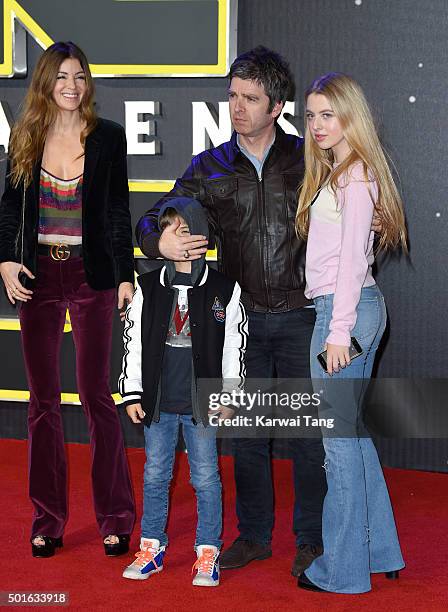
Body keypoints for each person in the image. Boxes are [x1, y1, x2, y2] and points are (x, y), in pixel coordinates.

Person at [136, 46, 328, 576]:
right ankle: (255, 536)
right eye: (232, 96)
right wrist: (161, 245)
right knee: (246, 439)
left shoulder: (310, 157)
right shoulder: (211, 166)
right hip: (238, 327)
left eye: (250, 98)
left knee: (309, 440)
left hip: (301, 319)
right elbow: (153, 219)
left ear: (276, 107)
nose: (236, 107)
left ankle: (311, 539)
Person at [0, 42, 135, 558]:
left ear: (88, 82)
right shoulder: (25, 137)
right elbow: (10, 208)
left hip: (91, 275)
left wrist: (123, 275)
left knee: (97, 397)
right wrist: (5, 260)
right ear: (45, 84)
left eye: (79, 76)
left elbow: (119, 211)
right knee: (42, 403)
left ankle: (116, 517)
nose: (72, 86)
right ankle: (48, 519)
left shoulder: (109, 138)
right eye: (61, 77)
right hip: (37, 275)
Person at [295, 72, 406, 593]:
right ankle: (379, 548)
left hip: (344, 316)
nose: (317, 125)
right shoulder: (343, 171)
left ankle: (341, 571)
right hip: (349, 311)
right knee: (352, 439)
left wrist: (337, 333)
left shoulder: (354, 176)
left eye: (327, 114)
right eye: (311, 114)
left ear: (349, 117)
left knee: (337, 445)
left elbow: (347, 266)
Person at [119, 197, 247, 586]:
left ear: (202, 237)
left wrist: (230, 394)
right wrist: (132, 392)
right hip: (158, 401)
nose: (175, 237)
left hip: (202, 403)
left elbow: (233, 345)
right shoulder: (147, 287)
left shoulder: (225, 288)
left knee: (206, 477)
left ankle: (208, 552)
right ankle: (152, 547)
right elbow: (134, 342)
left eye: (183, 228)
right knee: (155, 475)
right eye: (167, 229)